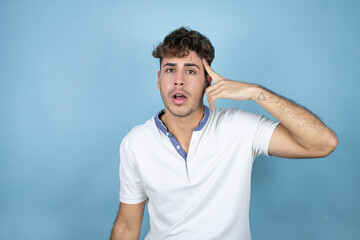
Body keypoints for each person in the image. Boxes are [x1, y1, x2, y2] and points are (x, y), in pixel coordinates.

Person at [110, 27, 338, 240]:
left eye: (190, 71)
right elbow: (127, 225)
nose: (178, 80)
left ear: (208, 81)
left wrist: (254, 92)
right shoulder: (136, 142)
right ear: (159, 80)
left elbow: (322, 143)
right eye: (170, 70)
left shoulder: (239, 127)